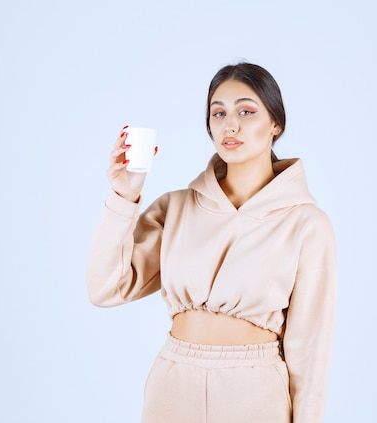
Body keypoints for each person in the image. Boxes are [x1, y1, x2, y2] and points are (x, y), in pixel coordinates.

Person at [86, 62, 337, 423]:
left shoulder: (307, 224)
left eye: (246, 111)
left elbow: (309, 350)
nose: (229, 125)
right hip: (173, 383)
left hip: (255, 391)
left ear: (276, 124)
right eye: (218, 113)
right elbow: (105, 288)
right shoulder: (176, 207)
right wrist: (123, 198)